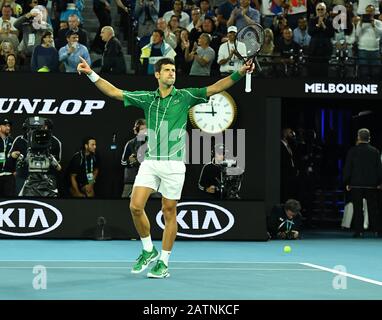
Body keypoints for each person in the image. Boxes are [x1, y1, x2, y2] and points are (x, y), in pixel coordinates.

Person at [76, 55, 254, 278]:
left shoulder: (186, 96)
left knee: (169, 211)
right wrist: (91, 73)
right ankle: (148, 249)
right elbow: (114, 92)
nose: (172, 73)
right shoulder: (147, 98)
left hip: (174, 165)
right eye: (167, 70)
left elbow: (216, 87)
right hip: (151, 162)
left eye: (173, 70)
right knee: (135, 206)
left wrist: (240, 72)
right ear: (157, 74)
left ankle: (164, 261)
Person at [343, 128, 382, 237]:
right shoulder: (375, 151)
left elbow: (348, 168)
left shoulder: (352, 151)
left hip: (356, 184)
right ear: (369, 138)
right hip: (372, 185)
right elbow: (379, 169)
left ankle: (359, 231)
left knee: (358, 208)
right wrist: (380, 182)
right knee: (373, 208)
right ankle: (376, 230)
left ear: (358, 137)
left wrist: (347, 182)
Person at [121, 119, 147, 198]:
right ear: (136, 130)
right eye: (142, 129)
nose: (144, 132)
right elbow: (122, 162)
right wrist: (130, 161)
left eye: (145, 129)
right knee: (124, 201)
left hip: (147, 180)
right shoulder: (130, 143)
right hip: (131, 180)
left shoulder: (152, 144)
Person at [0, 118, 15, 196]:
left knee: (9, 200)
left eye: (9, 126)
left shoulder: (12, 141)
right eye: (5, 126)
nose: (8, 128)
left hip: (9, 175)